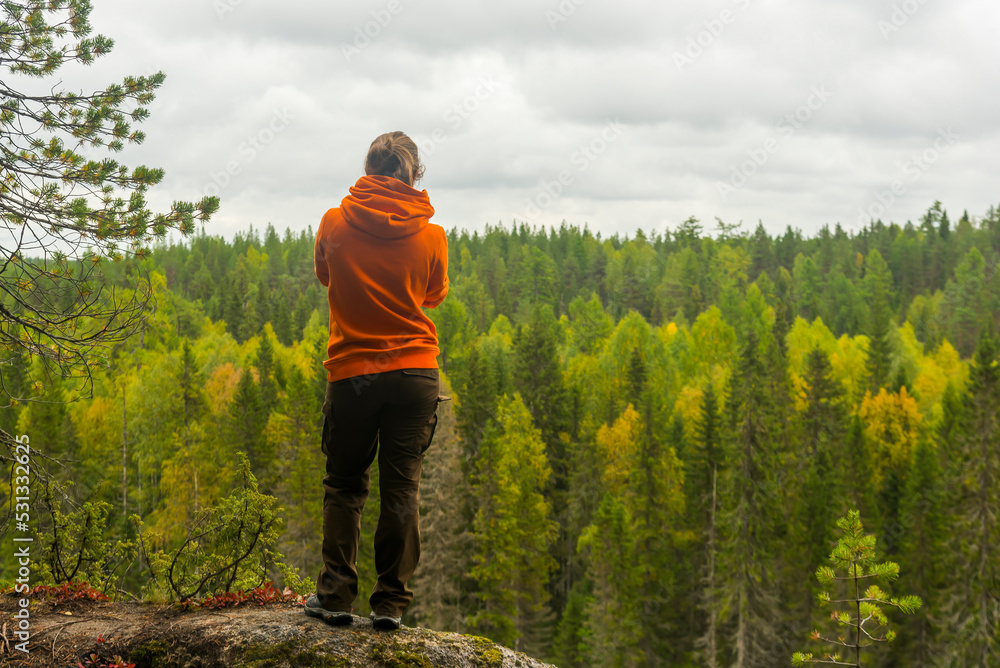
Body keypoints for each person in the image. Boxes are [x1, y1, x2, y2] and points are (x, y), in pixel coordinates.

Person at [304, 131, 449, 631]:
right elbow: (433, 294)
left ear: (368, 169)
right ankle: (389, 605)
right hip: (414, 372)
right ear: (413, 175)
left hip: (353, 374)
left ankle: (336, 596)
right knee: (401, 489)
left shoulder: (334, 222)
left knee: (344, 484)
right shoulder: (432, 234)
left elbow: (326, 275)